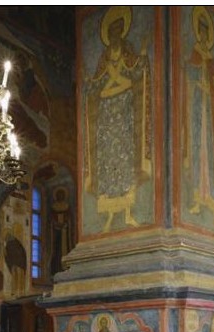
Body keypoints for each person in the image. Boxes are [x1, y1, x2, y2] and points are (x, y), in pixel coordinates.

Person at [84, 6, 151, 232]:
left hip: (123, 109)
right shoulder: (105, 57)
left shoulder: (127, 51)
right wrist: (88, 81)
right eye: (112, 31)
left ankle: (128, 214)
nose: (115, 35)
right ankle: (110, 219)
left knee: (125, 163)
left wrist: (143, 56)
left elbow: (136, 72)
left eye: (118, 30)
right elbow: (96, 83)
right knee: (108, 166)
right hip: (107, 111)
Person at [184, 6, 214, 231]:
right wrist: (194, 78)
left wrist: (210, 88)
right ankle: (197, 198)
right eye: (199, 31)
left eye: (204, 31)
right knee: (196, 152)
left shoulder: (210, 57)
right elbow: (188, 72)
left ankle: (207, 195)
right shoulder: (196, 52)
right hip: (196, 107)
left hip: (207, 112)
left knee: (206, 153)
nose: (201, 35)